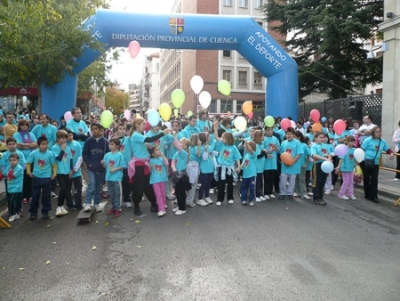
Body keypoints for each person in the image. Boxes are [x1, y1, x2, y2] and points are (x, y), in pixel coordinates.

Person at [128, 117, 170, 216]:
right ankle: (137, 206)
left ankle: (153, 204)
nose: (145, 126)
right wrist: (163, 133)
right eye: (143, 124)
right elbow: (150, 138)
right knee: (138, 187)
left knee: (148, 186)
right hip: (139, 165)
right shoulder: (135, 135)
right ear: (137, 125)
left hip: (145, 164)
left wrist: (148, 147)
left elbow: (144, 145)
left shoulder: (139, 135)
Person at [360, 126, 394, 203]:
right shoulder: (368, 140)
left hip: (375, 163)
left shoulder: (382, 141)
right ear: (373, 133)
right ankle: (367, 194)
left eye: (380, 132)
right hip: (366, 162)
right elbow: (362, 150)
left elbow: (387, 149)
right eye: (377, 132)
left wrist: (391, 153)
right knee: (366, 178)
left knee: (374, 179)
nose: (379, 133)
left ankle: (374, 196)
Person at [26, 137, 57, 220]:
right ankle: (33, 212)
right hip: (36, 177)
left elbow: (54, 165)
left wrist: (54, 174)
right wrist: (29, 172)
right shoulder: (33, 153)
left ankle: (45, 211)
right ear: (38, 145)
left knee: (46, 196)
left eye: (46, 144)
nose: (45, 146)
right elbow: (28, 163)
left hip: (47, 177)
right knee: (35, 196)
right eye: (43, 144)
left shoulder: (50, 154)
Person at [82, 123, 110, 213]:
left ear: (100, 130)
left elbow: (108, 154)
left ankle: (97, 203)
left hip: (101, 168)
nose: (94, 131)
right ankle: (87, 203)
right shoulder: (88, 141)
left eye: (96, 129)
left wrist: (105, 162)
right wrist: (89, 163)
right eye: (92, 129)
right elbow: (85, 154)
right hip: (91, 168)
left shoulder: (105, 142)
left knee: (98, 187)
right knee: (92, 185)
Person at [213, 127, 242, 206]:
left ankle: (230, 198)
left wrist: (238, 167)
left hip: (230, 168)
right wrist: (215, 129)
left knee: (230, 184)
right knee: (220, 184)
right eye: (222, 137)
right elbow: (216, 137)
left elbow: (237, 158)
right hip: (221, 167)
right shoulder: (222, 144)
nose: (222, 139)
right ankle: (220, 199)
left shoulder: (234, 148)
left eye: (224, 138)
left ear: (228, 139)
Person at [13, 119, 37, 204]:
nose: (24, 126)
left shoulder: (31, 134)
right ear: (19, 126)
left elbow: (35, 144)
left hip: (31, 159)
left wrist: (25, 145)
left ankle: (30, 195)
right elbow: (18, 145)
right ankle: (24, 196)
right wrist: (29, 145)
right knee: (23, 178)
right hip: (21, 160)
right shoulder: (16, 134)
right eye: (22, 125)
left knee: (30, 178)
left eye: (26, 125)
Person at [52, 130, 74, 216]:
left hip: (67, 171)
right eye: (62, 138)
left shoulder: (68, 148)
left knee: (67, 190)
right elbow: (59, 158)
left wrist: (71, 170)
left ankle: (61, 207)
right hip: (60, 172)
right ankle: (58, 206)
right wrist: (62, 150)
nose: (64, 140)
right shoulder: (54, 148)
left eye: (65, 138)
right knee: (63, 188)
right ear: (58, 139)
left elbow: (70, 159)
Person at [102, 137, 125, 218]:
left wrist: (115, 169)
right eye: (109, 144)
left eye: (112, 144)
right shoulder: (107, 155)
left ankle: (118, 208)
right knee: (111, 193)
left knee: (117, 193)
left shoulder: (120, 155)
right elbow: (105, 166)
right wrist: (103, 163)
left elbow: (122, 166)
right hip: (109, 177)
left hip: (117, 178)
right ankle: (114, 206)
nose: (110, 146)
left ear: (117, 146)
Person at [279, 127, 303, 199]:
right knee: (283, 179)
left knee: (292, 181)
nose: (289, 135)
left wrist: (292, 161)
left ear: (293, 135)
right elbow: (281, 154)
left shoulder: (297, 143)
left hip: (294, 165)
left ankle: (290, 193)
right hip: (284, 165)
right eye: (288, 134)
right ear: (286, 135)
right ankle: (282, 193)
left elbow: (299, 154)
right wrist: (284, 161)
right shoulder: (283, 143)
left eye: (291, 134)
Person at [170, 135, 192, 215]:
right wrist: (173, 167)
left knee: (181, 193)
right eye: (179, 142)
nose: (179, 143)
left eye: (181, 142)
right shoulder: (177, 153)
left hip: (181, 176)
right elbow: (173, 161)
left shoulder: (184, 153)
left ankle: (182, 208)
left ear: (185, 146)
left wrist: (175, 136)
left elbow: (178, 147)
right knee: (177, 192)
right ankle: (179, 206)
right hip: (176, 174)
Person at [310, 131, 332, 206]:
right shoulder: (314, 146)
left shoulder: (325, 146)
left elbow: (329, 155)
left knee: (323, 182)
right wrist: (324, 158)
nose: (322, 139)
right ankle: (316, 198)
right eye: (320, 137)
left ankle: (321, 197)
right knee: (317, 182)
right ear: (315, 138)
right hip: (317, 166)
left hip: (325, 166)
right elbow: (314, 156)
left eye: (323, 137)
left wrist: (328, 158)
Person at [65, 128, 83, 210]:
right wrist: (69, 170)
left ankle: (78, 204)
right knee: (67, 189)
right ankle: (70, 205)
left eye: (71, 135)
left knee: (78, 188)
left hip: (76, 171)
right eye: (67, 136)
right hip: (67, 172)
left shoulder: (77, 144)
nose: (69, 137)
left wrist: (75, 168)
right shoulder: (64, 146)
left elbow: (80, 157)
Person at [149, 145, 169, 217]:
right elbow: (149, 170)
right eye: (157, 150)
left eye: (159, 149)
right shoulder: (151, 160)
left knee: (163, 194)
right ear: (153, 154)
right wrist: (151, 167)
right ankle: (161, 209)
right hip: (155, 181)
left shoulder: (161, 159)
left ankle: (163, 204)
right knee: (158, 195)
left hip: (162, 179)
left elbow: (167, 163)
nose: (159, 151)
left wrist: (163, 156)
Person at [336, 136, 357, 200]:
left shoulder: (354, 150)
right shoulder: (344, 150)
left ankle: (351, 194)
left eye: (353, 141)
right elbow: (341, 159)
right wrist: (338, 166)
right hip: (345, 168)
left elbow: (355, 159)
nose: (352, 143)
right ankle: (341, 194)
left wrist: (355, 166)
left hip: (351, 168)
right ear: (347, 142)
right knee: (346, 181)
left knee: (351, 181)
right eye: (351, 141)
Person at [197, 132, 214, 205]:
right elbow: (204, 158)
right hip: (204, 169)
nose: (210, 138)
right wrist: (206, 150)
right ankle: (200, 198)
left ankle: (207, 196)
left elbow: (212, 155)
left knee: (208, 184)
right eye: (208, 137)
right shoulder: (201, 147)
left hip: (210, 168)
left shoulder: (209, 146)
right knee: (203, 184)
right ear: (205, 139)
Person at [5, 153, 23, 222]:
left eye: (14, 160)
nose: (12, 162)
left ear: (18, 160)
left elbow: (12, 175)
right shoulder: (9, 167)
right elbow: (4, 173)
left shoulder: (19, 168)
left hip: (16, 188)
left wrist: (6, 173)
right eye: (10, 160)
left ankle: (12, 214)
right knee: (15, 201)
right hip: (10, 187)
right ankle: (17, 212)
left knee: (11, 201)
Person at [293, 131, 311, 199]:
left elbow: (308, 155)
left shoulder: (304, 145)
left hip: (301, 165)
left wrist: (306, 164)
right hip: (294, 165)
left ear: (299, 137)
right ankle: (296, 191)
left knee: (302, 179)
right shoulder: (293, 144)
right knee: (295, 179)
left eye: (295, 137)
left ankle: (304, 192)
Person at [240, 140, 257, 206]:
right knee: (244, 187)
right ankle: (243, 199)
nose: (245, 147)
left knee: (252, 188)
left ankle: (252, 199)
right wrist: (239, 168)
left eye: (247, 146)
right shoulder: (246, 155)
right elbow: (243, 163)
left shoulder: (253, 155)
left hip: (252, 175)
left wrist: (247, 144)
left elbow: (250, 150)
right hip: (245, 175)